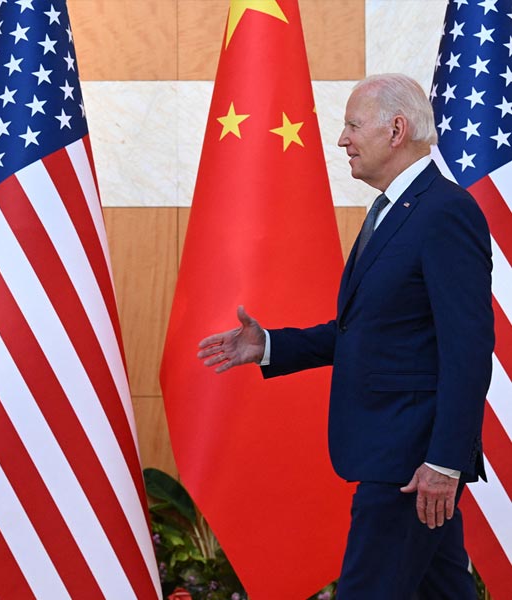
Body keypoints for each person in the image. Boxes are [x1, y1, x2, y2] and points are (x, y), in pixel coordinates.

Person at [197, 73, 493, 598]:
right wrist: (269, 344)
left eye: (353, 125)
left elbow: (468, 350)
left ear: (397, 129)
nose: (342, 140)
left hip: (410, 460)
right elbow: (366, 332)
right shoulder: (391, 211)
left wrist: (445, 462)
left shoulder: (443, 212)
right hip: (396, 455)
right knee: (443, 589)